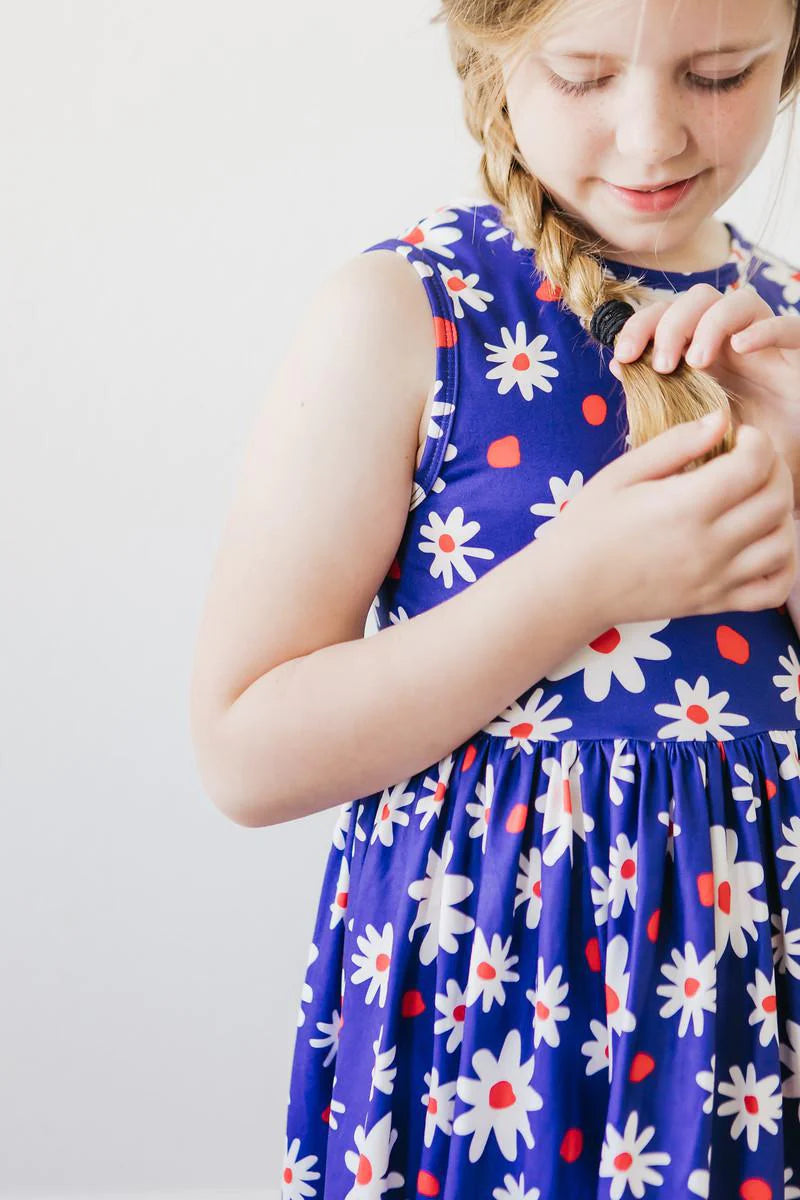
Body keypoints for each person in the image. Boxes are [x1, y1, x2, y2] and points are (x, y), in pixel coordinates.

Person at [187, 0, 800, 1195]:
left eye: (716, 74)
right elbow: (243, 750)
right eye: (582, 77)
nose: (648, 136)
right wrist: (584, 581)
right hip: (494, 1028)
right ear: (491, 52)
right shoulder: (411, 315)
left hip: (750, 1028)